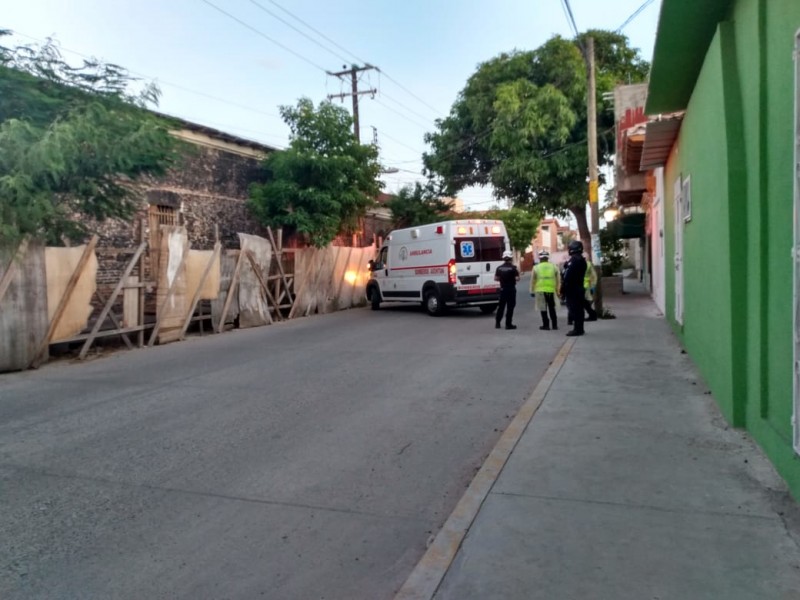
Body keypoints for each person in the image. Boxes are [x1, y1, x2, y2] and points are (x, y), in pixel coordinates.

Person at [530, 249, 561, 330]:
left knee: (543, 308)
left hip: (540, 291)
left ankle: (546, 325)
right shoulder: (554, 267)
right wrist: (558, 290)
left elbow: (533, 280)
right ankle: (554, 325)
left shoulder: (536, 267)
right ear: (548, 258)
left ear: (540, 258)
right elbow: (558, 280)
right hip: (551, 291)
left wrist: (532, 291)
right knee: (552, 308)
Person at [562, 240, 587, 336]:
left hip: (573, 288)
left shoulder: (574, 260)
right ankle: (579, 328)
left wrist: (563, 286)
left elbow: (567, 275)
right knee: (578, 309)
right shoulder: (581, 259)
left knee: (575, 309)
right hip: (578, 287)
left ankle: (578, 329)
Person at [494, 250, 520, 330]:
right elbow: (517, 278)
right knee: (510, 307)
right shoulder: (513, 268)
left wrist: (502, 279)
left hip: (502, 289)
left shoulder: (499, 268)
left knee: (501, 307)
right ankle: (508, 324)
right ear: (511, 258)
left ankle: (497, 323)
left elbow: (496, 278)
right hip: (511, 289)